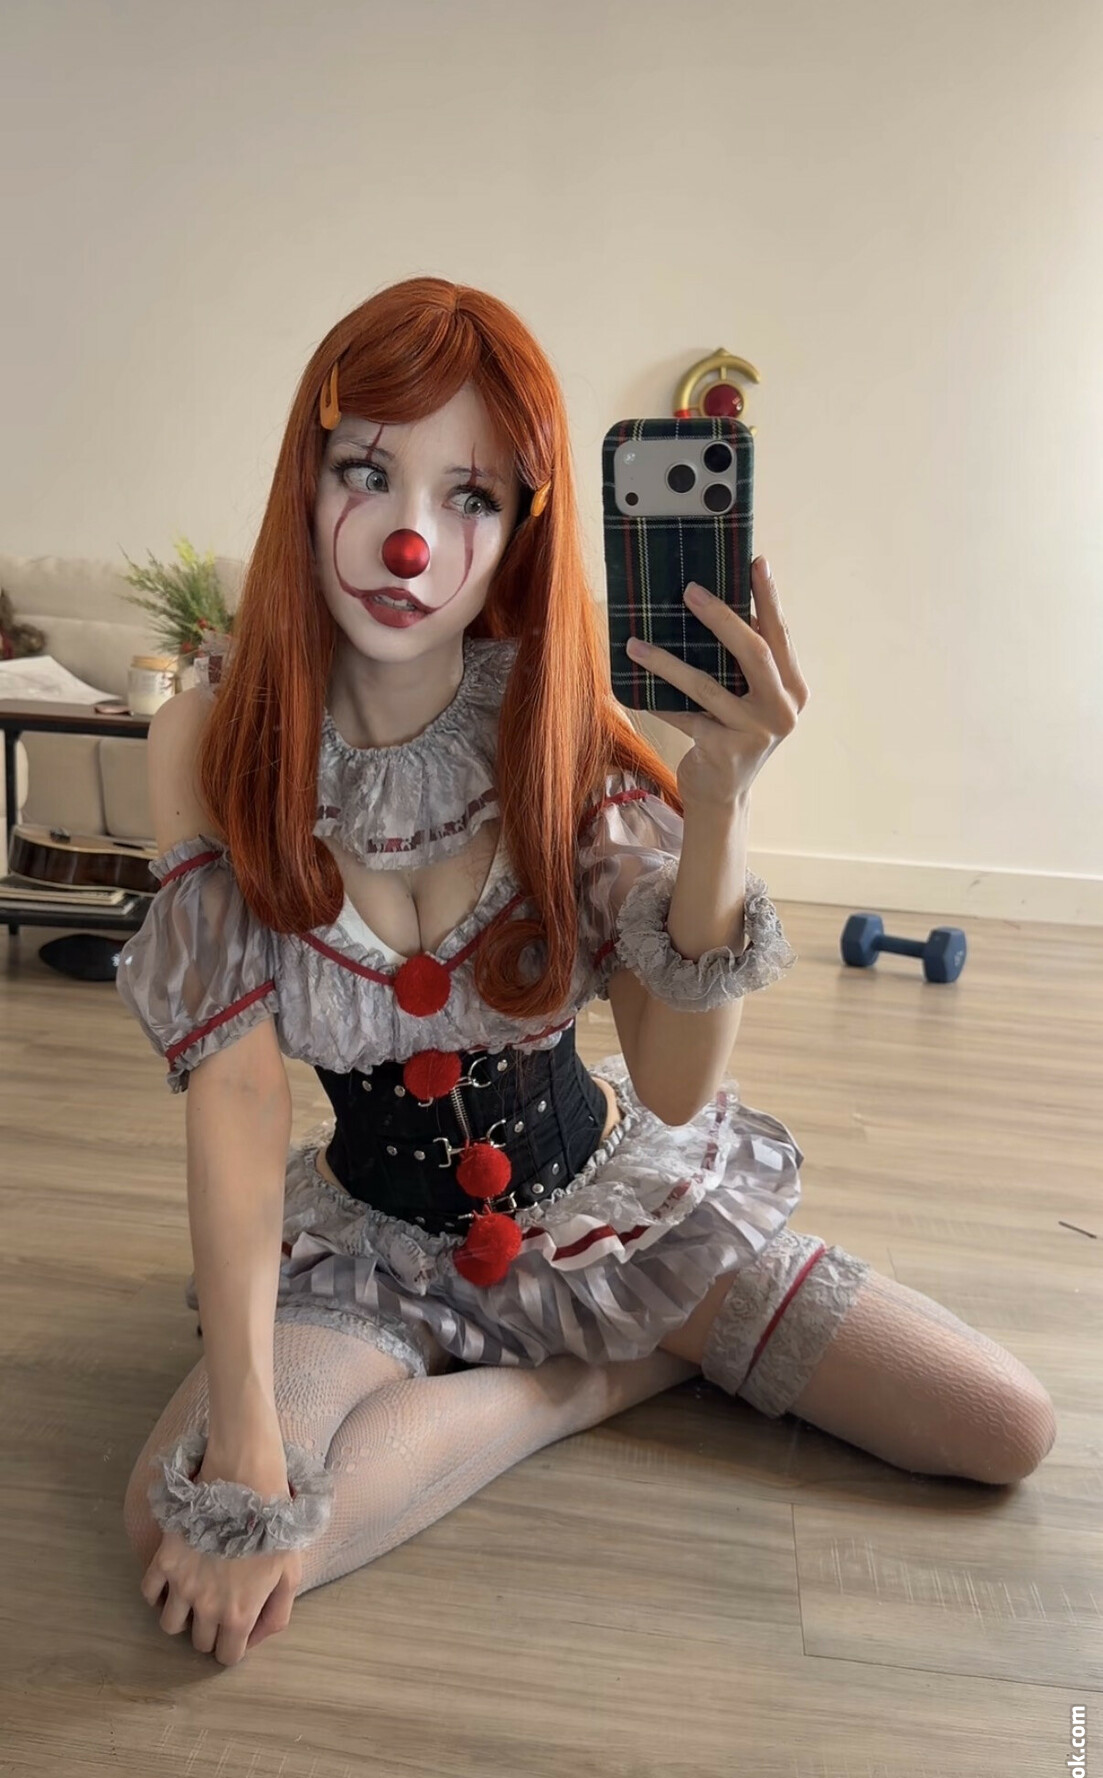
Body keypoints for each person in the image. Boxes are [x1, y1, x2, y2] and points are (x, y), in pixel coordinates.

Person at [119, 275, 1056, 1668]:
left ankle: (588, 1363)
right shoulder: (213, 739)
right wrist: (250, 1438)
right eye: (367, 471)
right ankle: (597, 1376)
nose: (408, 539)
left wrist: (720, 799)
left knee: (1001, 1423)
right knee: (182, 1519)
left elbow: (672, 1087)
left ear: (524, 530)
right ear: (302, 483)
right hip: (375, 1248)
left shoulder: (565, 731)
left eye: (471, 496)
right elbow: (241, 1101)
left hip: (614, 1214)